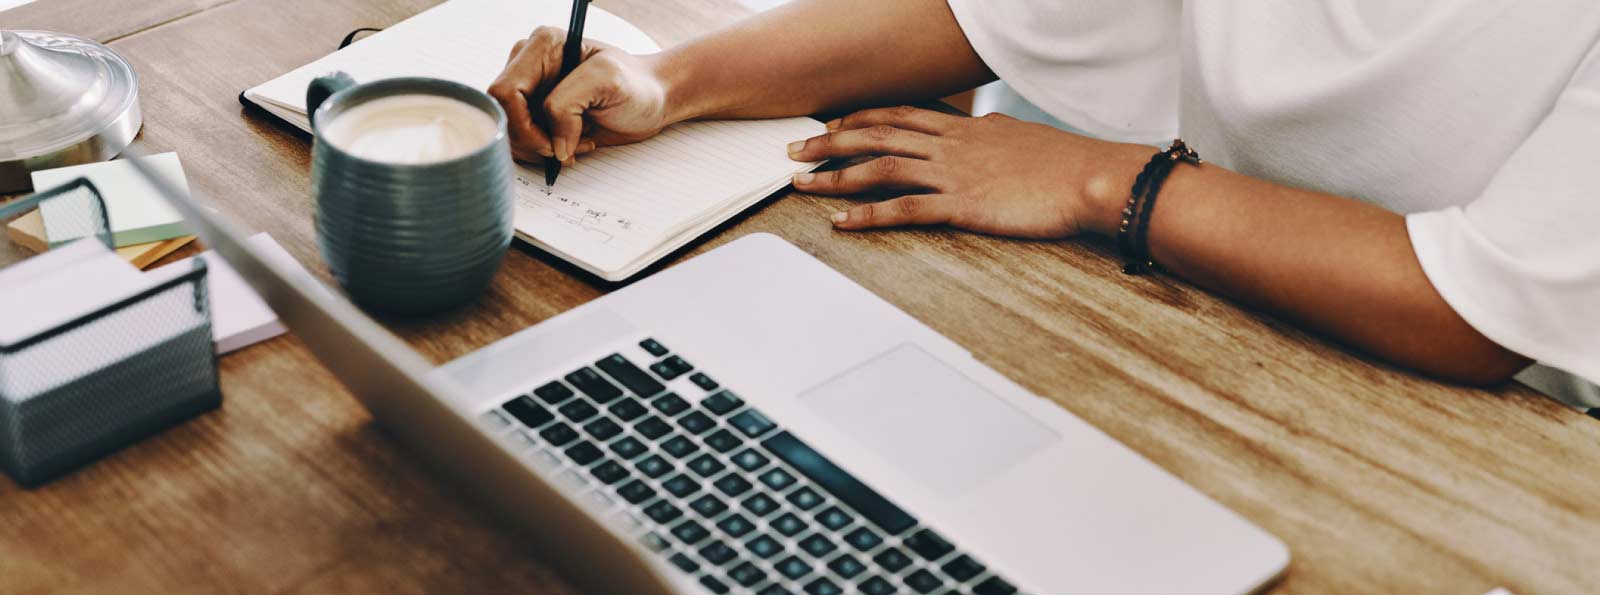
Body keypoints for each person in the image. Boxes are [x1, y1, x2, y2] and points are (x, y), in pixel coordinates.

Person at [488, 0, 1600, 405]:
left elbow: (1474, 309)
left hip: (1485, 448)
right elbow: (982, 15)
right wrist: (671, 84)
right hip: (1192, 334)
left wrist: (1101, 179)